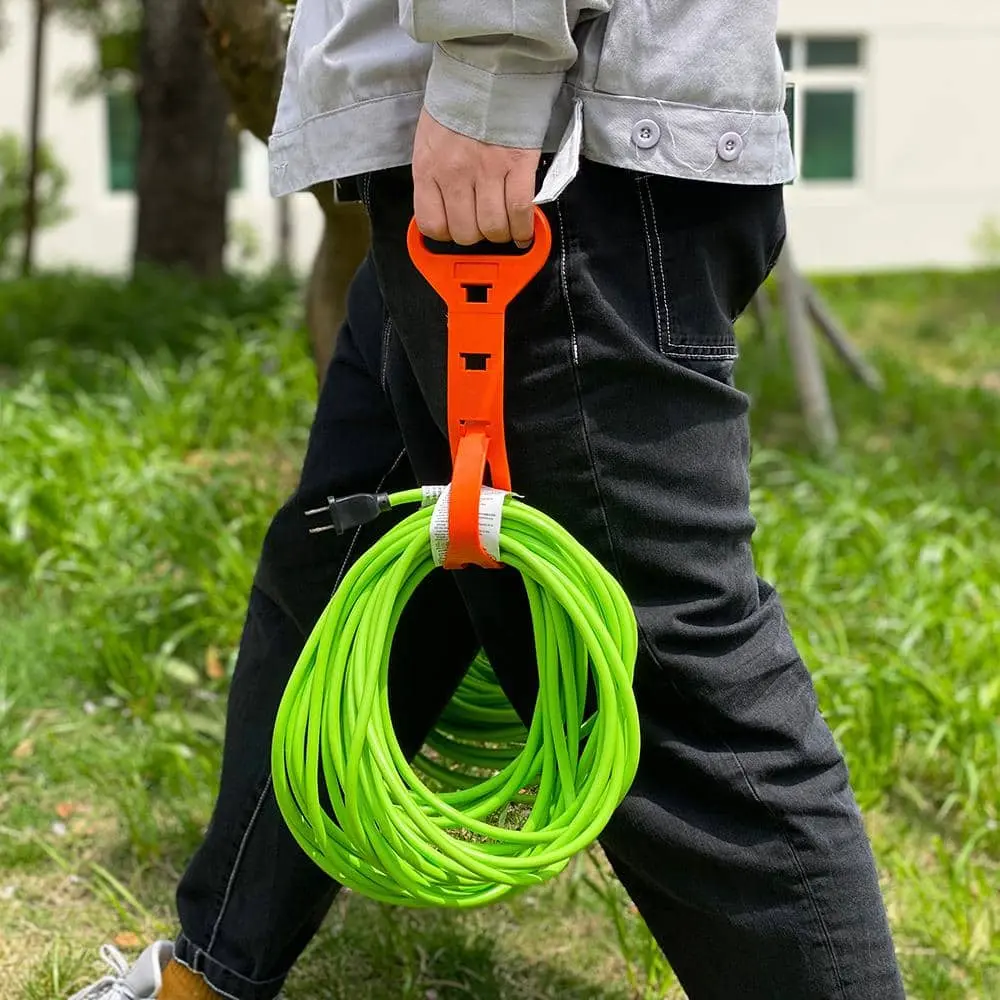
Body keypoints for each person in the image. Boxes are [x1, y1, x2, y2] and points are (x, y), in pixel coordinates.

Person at [73, 2, 907, 998]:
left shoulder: (500, 100)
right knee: (339, 573)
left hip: (541, 159)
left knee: (664, 672)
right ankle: (210, 973)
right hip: (484, 149)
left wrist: (490, 78)